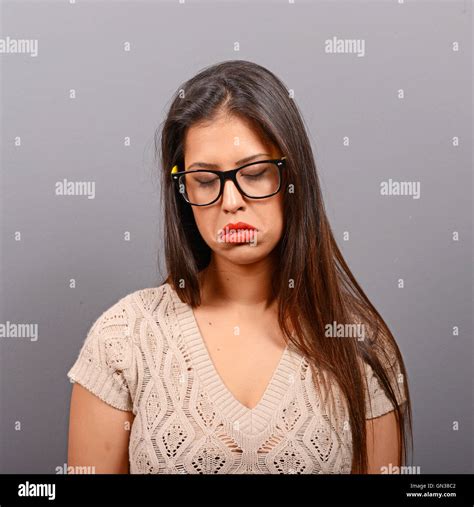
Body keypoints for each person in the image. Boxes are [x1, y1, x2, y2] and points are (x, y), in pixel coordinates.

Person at [67, 59, 412, 474]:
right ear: (182, 190)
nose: (231, 201)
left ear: (291, 178)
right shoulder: (123, 339)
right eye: (206, 180)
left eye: (254, 173)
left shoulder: (360, 344)